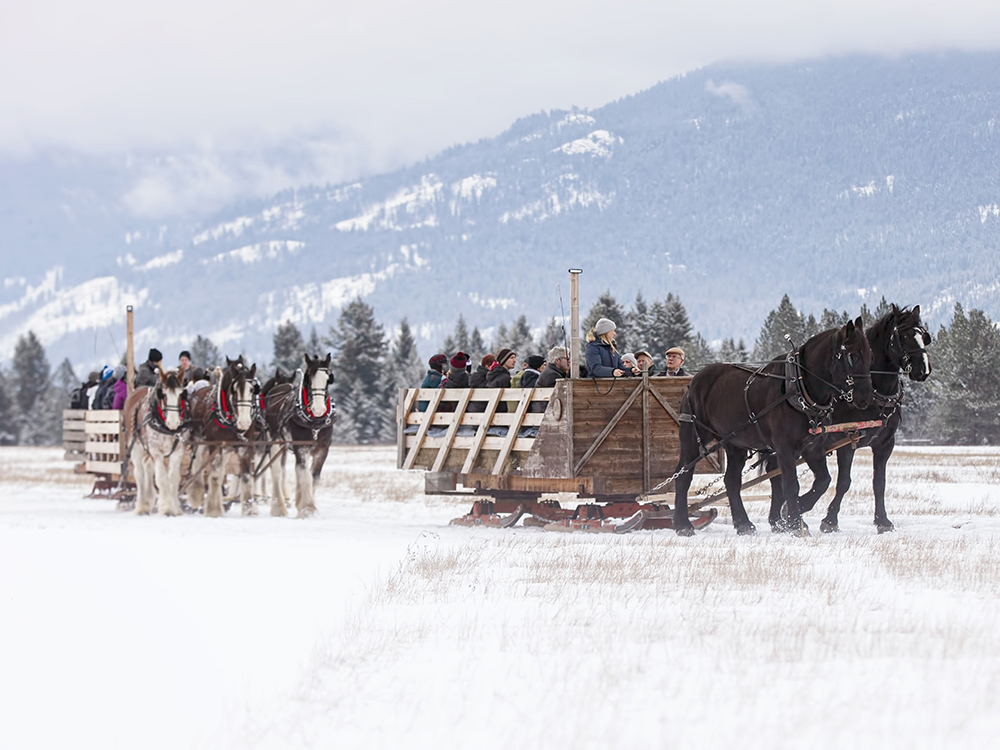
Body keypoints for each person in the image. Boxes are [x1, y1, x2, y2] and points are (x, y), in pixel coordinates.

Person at [487, 347, 517, 412]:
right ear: (503, 360)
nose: (514, 360)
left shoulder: (494, 374)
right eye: (511, 358)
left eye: (515, 358)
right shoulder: (504, 378)